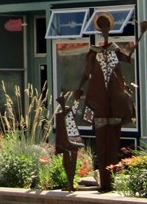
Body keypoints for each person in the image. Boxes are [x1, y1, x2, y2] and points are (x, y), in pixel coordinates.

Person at [73, 12, 138, 192]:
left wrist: (135, 42)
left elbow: (127, 57)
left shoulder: (115, 50)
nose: (104, 29)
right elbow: (87, 73)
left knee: (114, 140)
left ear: (109, 27)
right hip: (98, 99)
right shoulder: (93, 52)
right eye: (101, 26)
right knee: (102, 140)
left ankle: (111, 181)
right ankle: (104, 182)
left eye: (106, 25)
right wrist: (79, 88)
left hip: (115, 101)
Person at [54, 94, 84, 191]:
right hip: (69, 140)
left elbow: (75, 106)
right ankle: (70, 183)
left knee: (70, 159)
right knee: (68, 159)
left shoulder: (66, 114)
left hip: (71, 139)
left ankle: (71, 183)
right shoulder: (62, 115)